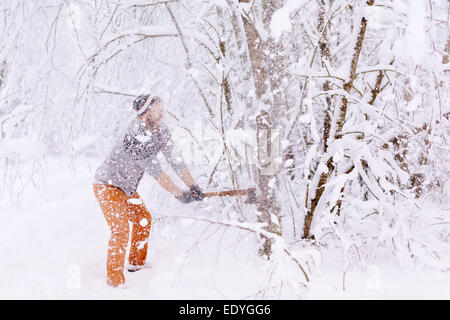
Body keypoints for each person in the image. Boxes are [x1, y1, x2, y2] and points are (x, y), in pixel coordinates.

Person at [93, 94, 204, 287]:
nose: (162, 112)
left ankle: (136, 263)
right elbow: (156, 171)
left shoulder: (161, 131)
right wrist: (178, 193)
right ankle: (114, 281)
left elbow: (175, 160)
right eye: (158, 108)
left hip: (127, 188)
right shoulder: (134, 136)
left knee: (142, 220)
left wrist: (193, 186)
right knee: (120, 230)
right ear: (145, 112)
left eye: (162, 107)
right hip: (107, 185)